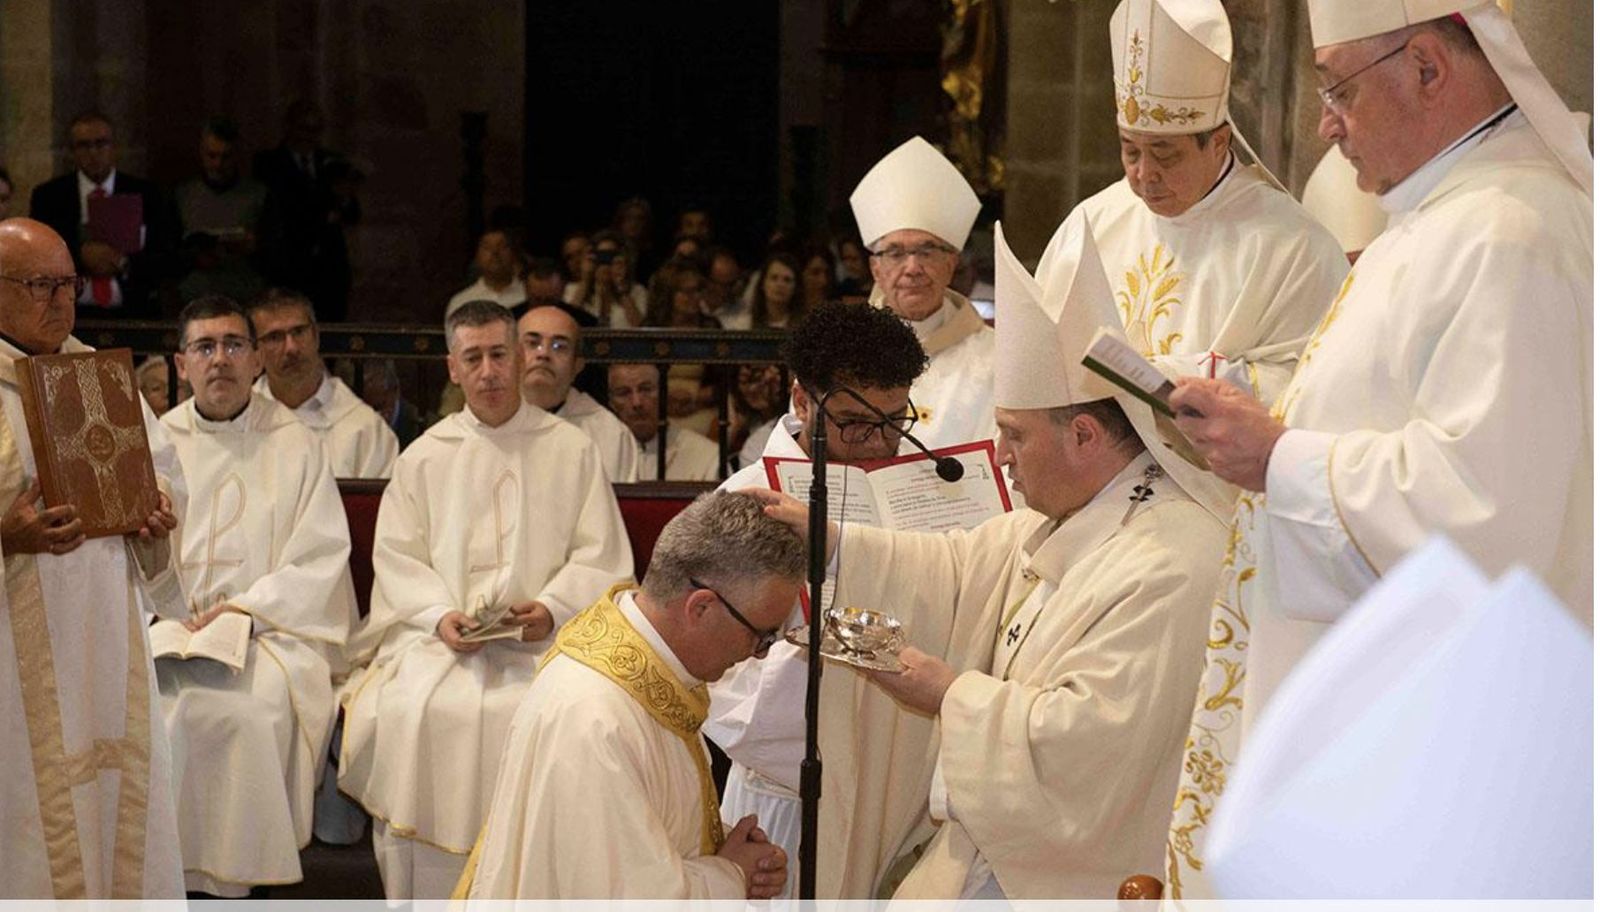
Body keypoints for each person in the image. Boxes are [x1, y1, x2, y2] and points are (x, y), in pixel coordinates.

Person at [1163, 1, 1592, 898]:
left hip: (1437, 769)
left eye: (1338, 87)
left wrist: (1280, 459)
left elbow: (1490, 515)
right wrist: (1266, 430)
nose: (1325, 123)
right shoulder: (1438, 222)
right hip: (1385, 741)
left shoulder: (1511, 230)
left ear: (1428, 66)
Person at [751, 222, 1228, 898]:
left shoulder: (1172, 560)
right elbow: (954, 568)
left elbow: (1090, 746)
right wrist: (835, 544)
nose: (999, 455)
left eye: (1013, 436)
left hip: (1065, 875)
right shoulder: (1073, 514)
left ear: (1084, 436)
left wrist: (948, 693)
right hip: (993, 847)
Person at [339, 301, 633, 899]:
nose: (490, 371)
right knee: (413, 711)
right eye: (473, 358)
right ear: (453, 367)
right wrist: (437, 615)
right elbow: (398, 560)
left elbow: (600, 555)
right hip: (440, 644)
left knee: (545, 713)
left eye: (500, 354)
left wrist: (551, 607)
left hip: (546, 643)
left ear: (521, 356)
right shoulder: (423, 455)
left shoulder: (571, 449)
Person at [464, 491, 798, 898]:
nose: (758, 654)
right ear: (702, 608)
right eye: (761, 634)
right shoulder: (595, 717)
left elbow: (636, 834)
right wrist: (732, 874)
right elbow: (620, 894)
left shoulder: (649, 668)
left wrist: (724, 847)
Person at [705, 299, 930, 897]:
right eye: (857, 423)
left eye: (894, 419)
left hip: (907, 794)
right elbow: (723, 689)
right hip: (793, 799)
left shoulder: (921, 488)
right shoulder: (745, 502)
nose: (880, 442)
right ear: (803, 400)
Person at [1032, 0, 1348, 409]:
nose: (1144, 174)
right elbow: (1038, 354)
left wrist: (1181, 377)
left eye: (1165, 155)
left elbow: (1314, 386)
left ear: (1217, 143)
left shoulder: (1296, 248)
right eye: (1130, 151)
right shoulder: (1090, 224)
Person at [0, 217, 186, 897]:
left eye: (68, 284)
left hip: (107, 638)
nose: (60, 300)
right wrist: (6, 538)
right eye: (38, 285)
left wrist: (157, 515)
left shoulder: (100, 376)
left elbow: (164, 476)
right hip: (10, 665)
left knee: (115, 796)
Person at [156, 295, 356, 896]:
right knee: (158, 712)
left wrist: (246, 610)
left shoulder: (295, 443)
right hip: (170, 628)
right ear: (181, 362)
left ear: (256, 360)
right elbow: (131, 549)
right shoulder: (154, 443)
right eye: (205, 347)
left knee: (247, 712)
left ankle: (245, 884)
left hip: (269, 633)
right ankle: (168, 882)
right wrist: (164, 611)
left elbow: (319, 556)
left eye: (234, 345)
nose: (220, 360)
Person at [849, 136, 996, 448]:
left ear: (951, 263)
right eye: (896, 253)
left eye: (927, 251)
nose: (913, 267)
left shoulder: (995, 358)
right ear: (876, 269)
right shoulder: (842, 353)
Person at [29, 112, 175, 319]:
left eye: (101, 144)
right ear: (72, 152)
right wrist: (80, 256)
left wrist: (122, 262)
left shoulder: (146, 194)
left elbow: (165, 255)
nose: (93, 152)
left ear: (114, 148)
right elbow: (39, 255)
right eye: (84, 145)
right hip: (73, 311)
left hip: (133, 308)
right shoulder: (49, 197)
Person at [248, 288, 399, 478]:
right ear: (255, 351)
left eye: (298, 332)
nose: (291, 348)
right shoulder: (239, 419)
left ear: (316, 336)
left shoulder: (366, 430)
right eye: (275, 337)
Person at [253, 99, 360, 322]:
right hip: (289, 269)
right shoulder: (269, 164)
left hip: (329, 271)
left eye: (315, 129)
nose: (308, 136)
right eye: (303, 128)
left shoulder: (330, 162)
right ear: (289, 127)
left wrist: (345, 198)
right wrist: (323, 216)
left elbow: (353, 213)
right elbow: (279, 213)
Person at [517, 304, 639, 482]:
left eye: (559, 346)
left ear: (577, 365)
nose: (543, 353)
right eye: (533, 343)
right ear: (510, 355)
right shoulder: (488, 424)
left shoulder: (608, 433)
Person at [174, 118, 270, 297]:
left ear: (237, 156)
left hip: (245, 294)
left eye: (226, 157)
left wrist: (255, 247)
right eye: (212, 156)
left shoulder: (259, 195)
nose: (218, 165)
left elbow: (277, 254)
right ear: (201, 153)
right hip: (195, 297)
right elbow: (167, 252)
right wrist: (195, 258)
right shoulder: (182, 195)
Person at [609, 362, 720, 482]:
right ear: (611, 403)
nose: (637, 402)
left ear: (664, 393)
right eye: (623, 393)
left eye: (646, 389)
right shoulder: (599, 453)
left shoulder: (707, 456)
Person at [563, 230, 649, 327]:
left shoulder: (638, 291)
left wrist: (621, 288)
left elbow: (641, 329)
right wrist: (586, 280)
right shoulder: (572, 290)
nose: (605, 264)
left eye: (610, 256)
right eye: (601, 256)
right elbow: (567, 323)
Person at [445, 229, 526, 318]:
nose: (495, 253)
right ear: (477, 257)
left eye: (502, 246)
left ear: (514, 254)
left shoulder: (529, 295)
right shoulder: (461, 301)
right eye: (487, 247)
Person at [360, 359, 426, 450]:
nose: (375, 416)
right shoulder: (357, 430)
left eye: (379, 407)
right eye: (367, 408)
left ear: (395, 391)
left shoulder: (426, 427)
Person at [748, 253, 802, 329]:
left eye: (787, 280)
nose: (780, 284)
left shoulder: (806, 327)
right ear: (762, 284)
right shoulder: (742, 325)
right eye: (774, 278)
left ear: (796, 288)